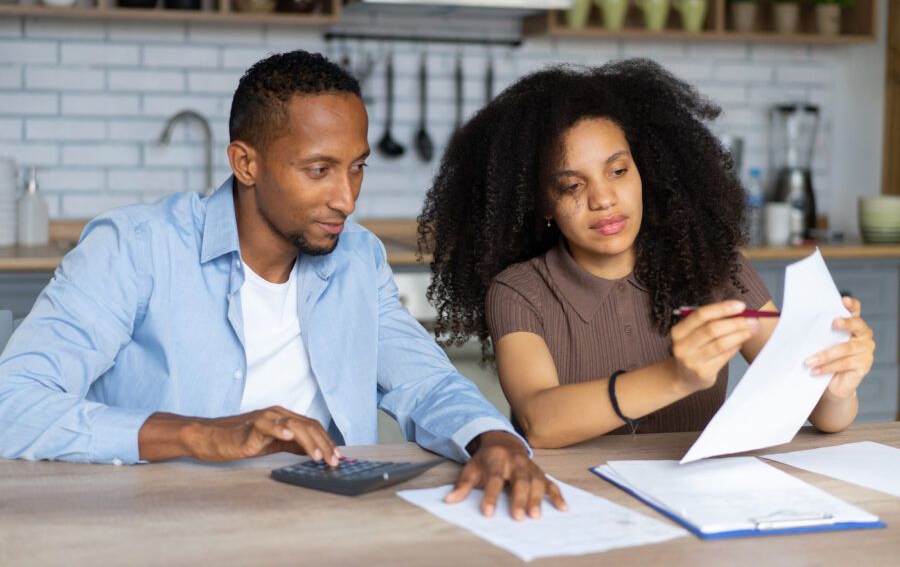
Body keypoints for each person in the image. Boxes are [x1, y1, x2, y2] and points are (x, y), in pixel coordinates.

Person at [0, 50, 566, 520]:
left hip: (321, 524)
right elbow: (14, 407)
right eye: (318, 170)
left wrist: (496, 442)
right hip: (157, 525)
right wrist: (202, 434)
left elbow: (425, 384)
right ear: (245, 164)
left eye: (357, 167)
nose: (346, 198)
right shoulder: (135, 249)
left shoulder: (357, 258)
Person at [418, 59, 875, 448]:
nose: (603, 199)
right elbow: (540, 421)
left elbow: (826, 415)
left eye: (618, 171)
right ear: (542, 204)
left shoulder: (715, 270)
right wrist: (676, 376)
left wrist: (837, 382)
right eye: (572, 186)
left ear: (646, 171)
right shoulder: (520, 292)